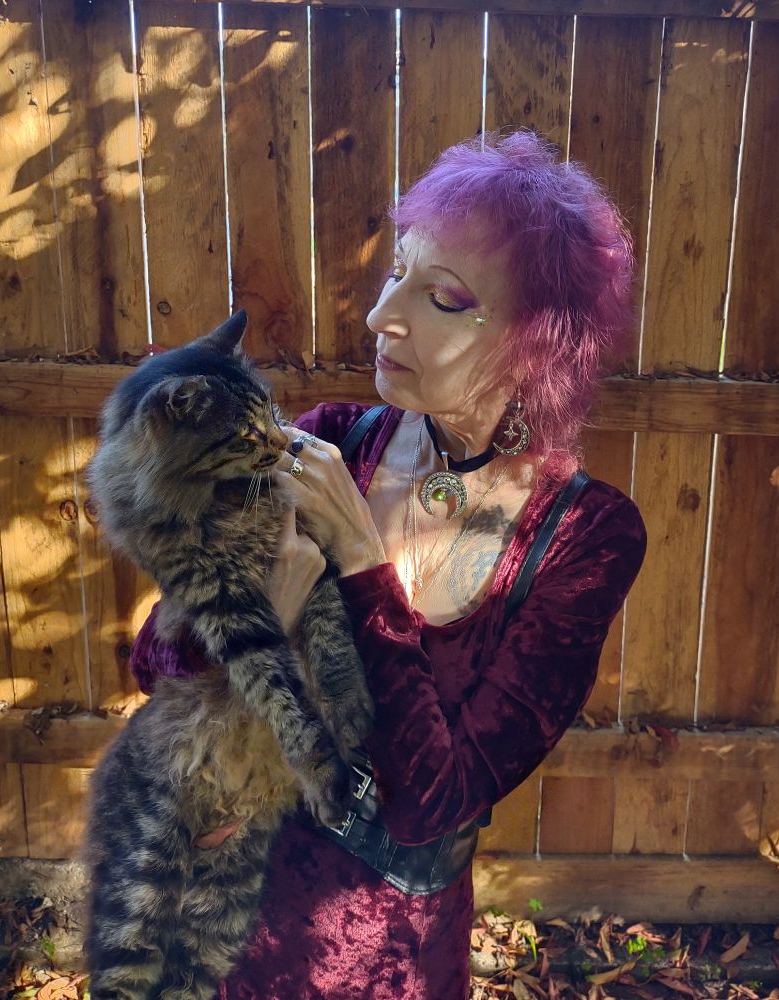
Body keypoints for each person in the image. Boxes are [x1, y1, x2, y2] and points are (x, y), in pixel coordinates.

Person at [130, 130, 647, 1000]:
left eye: (443, 296)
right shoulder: (331, 442)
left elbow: (431, 803)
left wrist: (362, 559)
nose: (381, 315)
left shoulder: (584, 537)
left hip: (388, 958)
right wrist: (256, 604)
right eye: (396, 270)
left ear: (536, 343)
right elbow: (155, 663)